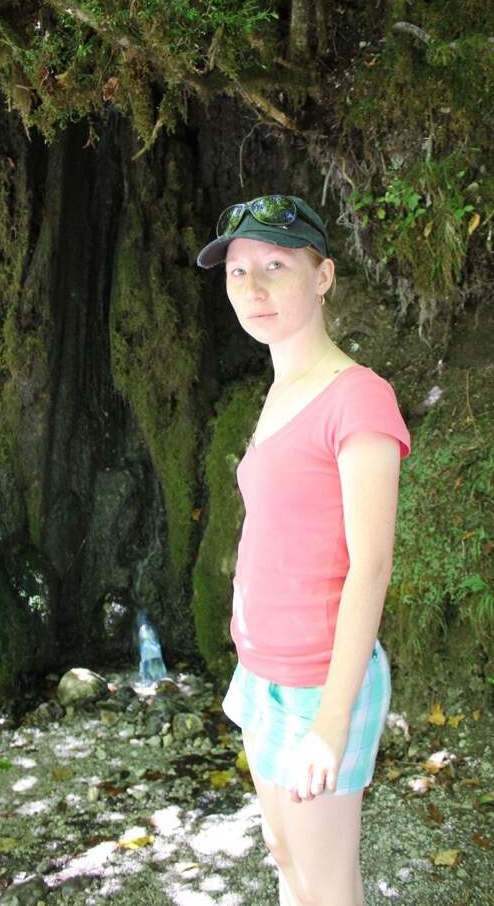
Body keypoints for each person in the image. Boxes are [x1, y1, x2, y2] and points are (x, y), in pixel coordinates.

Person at [196, 195, 411, 906]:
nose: (252, 287)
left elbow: (370, 567)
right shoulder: (282, 388)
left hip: (321, 682)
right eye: (238, 271)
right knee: (285, 856)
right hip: (263, 673)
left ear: (322, 277)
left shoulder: (359, 399)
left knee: (326, 888)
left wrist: (331, 722)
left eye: (276, 266)